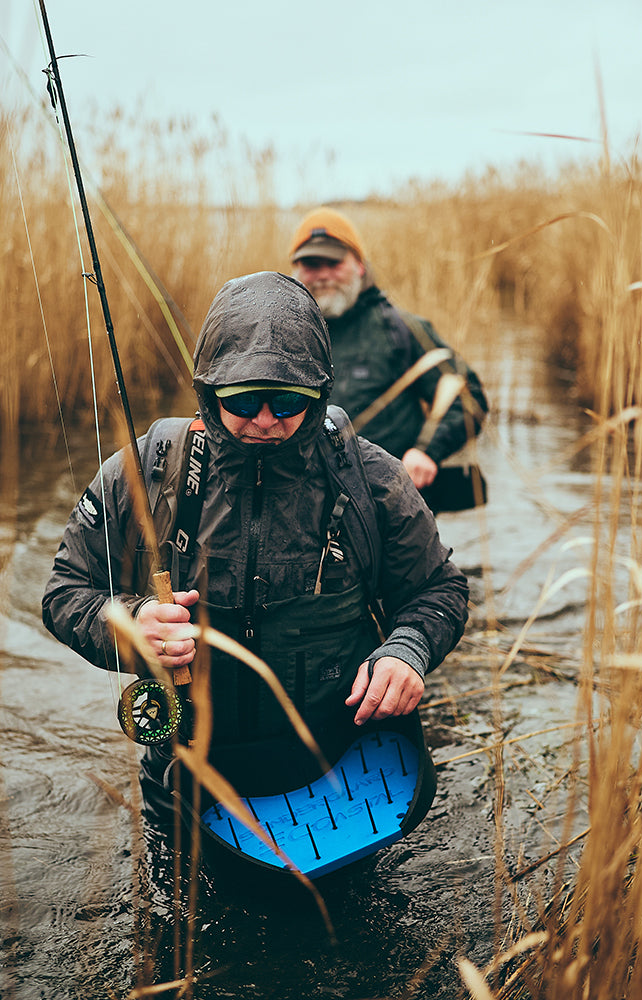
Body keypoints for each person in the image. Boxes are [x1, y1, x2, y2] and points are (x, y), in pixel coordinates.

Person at [42, 272, 468, 867]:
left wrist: (407, 651)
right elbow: (65, 591)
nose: (265, 420)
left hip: (341, 782)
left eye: (288, 401)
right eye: (243, 401)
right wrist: (129, 624)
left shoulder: (372, 480)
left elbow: (439, 589)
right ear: (208, 392)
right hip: (186, 782)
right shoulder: (145, 472)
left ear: (318, 394)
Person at [289, 206, 489, 496]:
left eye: (333, 263)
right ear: (296, 271)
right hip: (305, 500)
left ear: (359, 265)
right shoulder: (283, 335)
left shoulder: (401, 329)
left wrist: (426, 451)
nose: (322, 275)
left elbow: (468, 396)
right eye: (311, 264)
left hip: (385, 501)